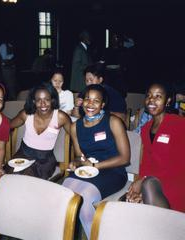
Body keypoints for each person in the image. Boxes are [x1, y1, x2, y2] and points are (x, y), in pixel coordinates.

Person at [63, 84, 130, 238]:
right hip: (88, 170)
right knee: (65, 193)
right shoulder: (75, 127)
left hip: (114, 171)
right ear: (82, 101)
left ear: (103, 104)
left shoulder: (113, 122)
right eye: (87, 99)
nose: (90, 104)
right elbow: (80, 156)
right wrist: (76, 163)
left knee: (85, 198)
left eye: (96, 101)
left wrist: (95, 165)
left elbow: (125, 158)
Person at [127, 82, 185, 212]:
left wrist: (144, 181)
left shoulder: (178, 124)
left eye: (158, 96)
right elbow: (146, 162)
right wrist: (141, 182)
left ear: (168, 101)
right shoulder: (146, 128)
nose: (151, 100)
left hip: (176, 185)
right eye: (149, 96)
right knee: (131, 199)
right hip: (154, 184)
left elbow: (180, 166)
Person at [10, 82, 71, 180]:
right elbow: (7, 125)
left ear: (52, 99)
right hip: (23, 154)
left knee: (27, 179)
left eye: (47, 100)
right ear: (33, 101)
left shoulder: (61, 117)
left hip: (45, 160)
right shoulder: (26, 114)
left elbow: (75, 135)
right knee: (9, 178)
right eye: (39, 100)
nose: (43, 104)